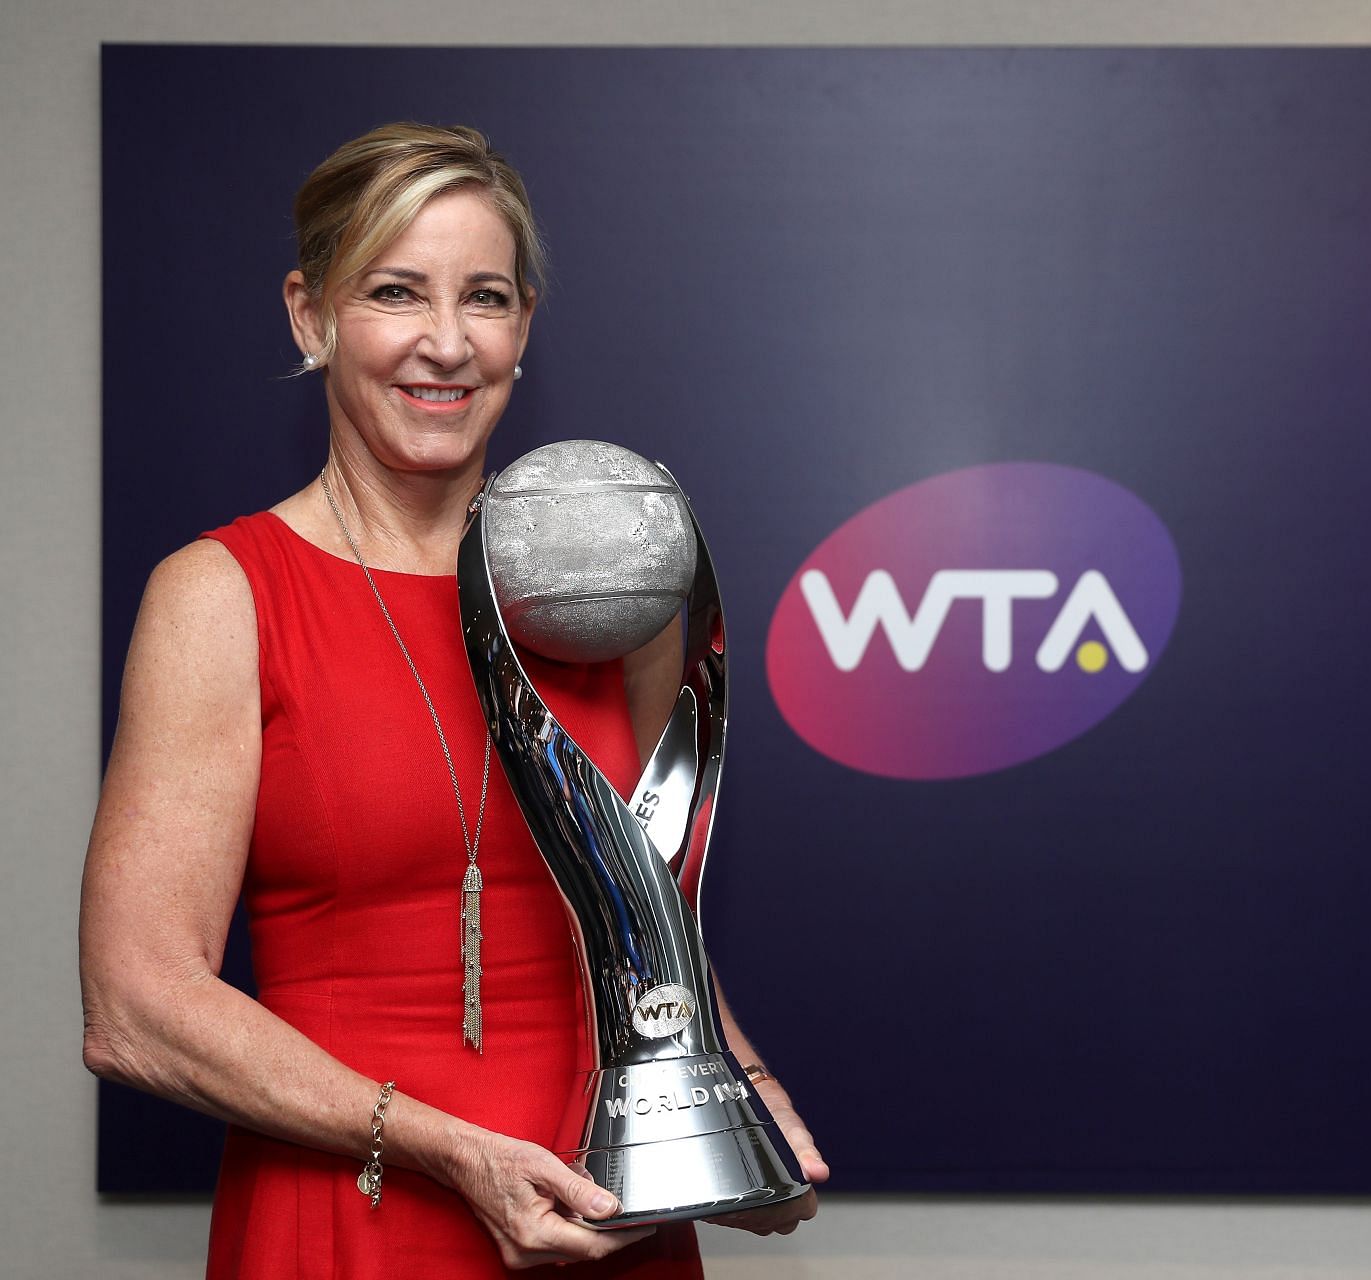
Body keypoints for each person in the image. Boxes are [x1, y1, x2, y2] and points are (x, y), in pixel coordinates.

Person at [79, 122, 827, 1277]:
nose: (443, 342)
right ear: (310, 313)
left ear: (523, 325)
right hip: (352, 1213)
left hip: (607, 1216)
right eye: (393, 291)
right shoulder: (224, 594)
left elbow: (649, 905)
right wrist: (447, 1147)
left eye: (483, 296)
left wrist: (744, 1097)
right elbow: (136, 1000)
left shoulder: (616, 590)